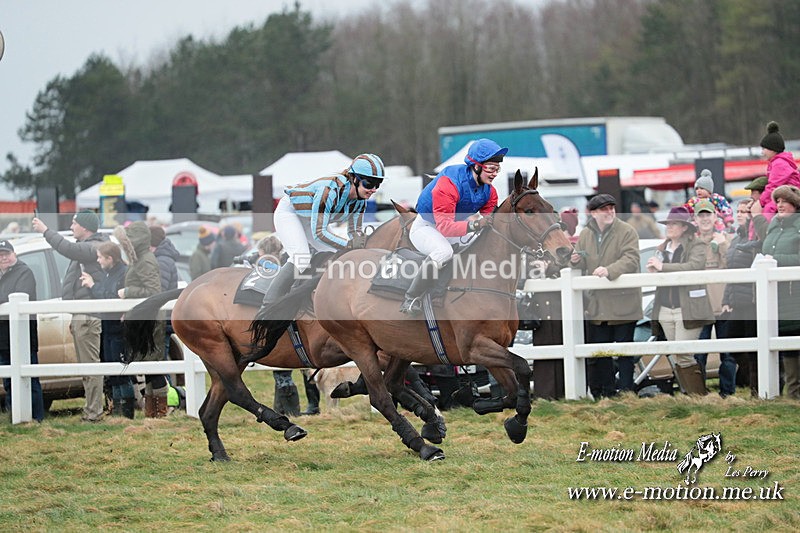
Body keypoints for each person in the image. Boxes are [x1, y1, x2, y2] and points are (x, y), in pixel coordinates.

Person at [261, 153, 386, 309]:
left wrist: (360, 244)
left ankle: (306, 296)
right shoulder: (330, 191)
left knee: (335, 257)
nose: (373, 189)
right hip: (290, 213)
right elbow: (319, 232)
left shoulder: (360, 202)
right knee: (302, 257)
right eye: (369, 183)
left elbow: (355, 232)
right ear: (354, 178)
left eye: (378, 184)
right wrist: (349, 244)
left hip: (309, 219)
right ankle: (267, 305)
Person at [400, 138, 505, 314]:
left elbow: (490, 222)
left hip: (453, 226)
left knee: (475, 247)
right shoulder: (448, 184)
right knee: (444, 252)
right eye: (491, 168)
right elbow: (445, 228)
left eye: (497, 169)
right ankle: (411, 298)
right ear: (477, 166)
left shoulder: (490, 192)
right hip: (427, 227)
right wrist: (476, 224)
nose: (495, 174)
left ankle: (451, 292)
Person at [32, 210, 108, 422]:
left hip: (87, 316)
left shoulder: (92, 247)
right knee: (87, 366)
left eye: (74, 223)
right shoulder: (90, 247)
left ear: (85, 227)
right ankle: (92, 410)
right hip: (81, 316)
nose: (72, 227)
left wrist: (45, 231)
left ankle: (94, 414)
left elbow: (68, 249)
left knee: (90, 366)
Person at [570, 194, 642, 398]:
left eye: (612, 208)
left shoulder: (627, 231)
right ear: (593, 213)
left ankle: (627, 393)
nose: (610, 212)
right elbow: (582, 260)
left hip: (623, 303)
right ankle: (607, 394)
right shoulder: (585, 234)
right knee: (601, 353)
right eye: (604, 209)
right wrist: (575, 261)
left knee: (624, 353)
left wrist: (609, 270)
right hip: (598, 306)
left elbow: (631, 259)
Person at [646, 206, 714, 395]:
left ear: (685, 227)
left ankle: (698, 396)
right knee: (676, 355)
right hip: (665, 308)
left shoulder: (697, 245)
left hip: (688, 308)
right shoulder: (662, 248)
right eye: (668, 223)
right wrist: (654, 269)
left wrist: (663, 267)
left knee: (684, 354)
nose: (669, 227)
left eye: (674, 224)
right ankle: (689, 396)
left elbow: (694, 266)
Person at [115, 221, 169, 417]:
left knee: (154, 369)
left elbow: (154, 291)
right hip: (144, 320)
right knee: (147, 368)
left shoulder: (145, 260)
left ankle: (160, 412)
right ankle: (151, 413)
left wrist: (128, 291)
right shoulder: (140, 259)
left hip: (151, 321)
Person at [80, 241, 135, 418]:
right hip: (109, 327)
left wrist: (93, 286)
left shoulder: (122, 273)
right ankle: (118, 411)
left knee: (121, 371)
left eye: (100, 257)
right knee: (113, 371)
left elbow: (110, 294)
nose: (98, 261)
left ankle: (125, 414)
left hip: (118, 329)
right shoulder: (110, 273)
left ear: (110, 258)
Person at [691, 198, 735, 396]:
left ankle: (727, 394)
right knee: (699, 353)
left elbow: (733, 265)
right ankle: (699, 393)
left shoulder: (725, 239)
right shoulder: (691, 243)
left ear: (715, 216)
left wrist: (722, 244)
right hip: (700, 306)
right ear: (695, 219)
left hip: (723, 305)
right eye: (701, 215)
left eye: (708, 214)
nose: (705, 218)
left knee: (728, 353)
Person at [760, 185, 800, 400]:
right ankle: (792, 394)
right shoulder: (774, 225)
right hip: (778, 295)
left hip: (796, 293)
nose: (780, 205)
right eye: (778, 201)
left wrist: (776, 262)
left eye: (785, 201)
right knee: (785, 339)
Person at [0, 239, 45, 422]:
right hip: (3, 337)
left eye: (6, 254)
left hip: (23, 336)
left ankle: (36, 418)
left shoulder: (24, 272)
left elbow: (17, 297)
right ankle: (15, 417)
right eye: (0, 255)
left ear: (14, 254)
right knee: (9, 381)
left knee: (30, 379)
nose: (3, 258)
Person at [720, 199, 760, 396]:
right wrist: (726, 299)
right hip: (737, 300)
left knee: (754, 347)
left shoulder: (756, 238)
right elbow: (731, 272)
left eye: (745, 211)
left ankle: (758, 389)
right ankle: (750, 382)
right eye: (738, 210)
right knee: (732, 343)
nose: (740, 214)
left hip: (752, 301)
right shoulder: (736, 239)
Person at [756, 121, 800, 223]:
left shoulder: (779, 164)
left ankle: (765, 233)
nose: (762, 152)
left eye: (764, 148)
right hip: (785, 194)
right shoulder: (777, 162)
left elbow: (773, 186)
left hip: (790, 195)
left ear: (772, 149)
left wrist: (760, 202)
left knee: (767, 209)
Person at [744, 176, 769, 240]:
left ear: (763, 193)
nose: (751, 196)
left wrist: (756, 215)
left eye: (753, 192)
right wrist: (750, 216)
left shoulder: (770, 211)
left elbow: (765, 235)